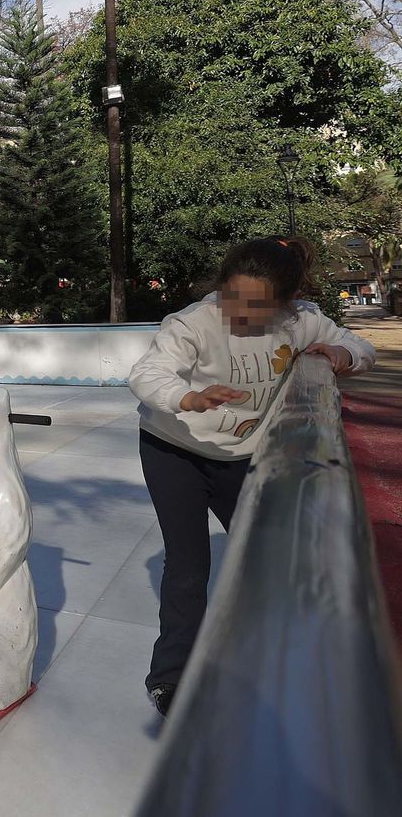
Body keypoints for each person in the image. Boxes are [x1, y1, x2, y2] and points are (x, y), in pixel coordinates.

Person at [128, 237, 375, 717]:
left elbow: (359, 346)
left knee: (264, 559)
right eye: (232, 297)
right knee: (187, 565)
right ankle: (170, 679)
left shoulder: (299, 321)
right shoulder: (192, 323)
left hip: (241, 457)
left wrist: (340, 355)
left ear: (283, 302)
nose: (240, 311)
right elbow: (148, 372)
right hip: (172, 449)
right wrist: (188, 398)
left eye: (257, 305)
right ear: (220, 288)